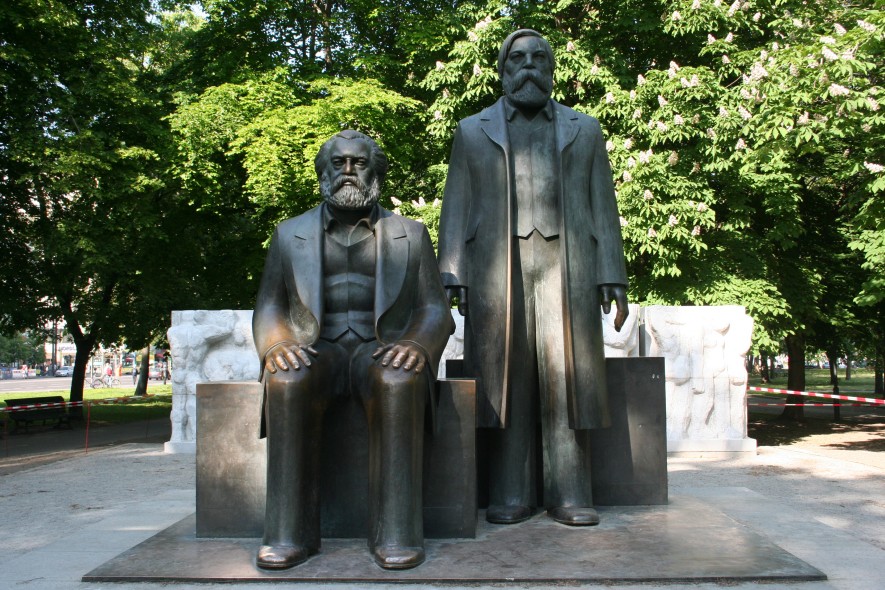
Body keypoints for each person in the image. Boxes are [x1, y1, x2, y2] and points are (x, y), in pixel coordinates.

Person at [438, 29, 629, 527]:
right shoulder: (471, 130)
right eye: (518, 58)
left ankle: (571, 492)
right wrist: (451, 273)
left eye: (538, 58)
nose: (528, 66)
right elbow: (456, 202)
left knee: (568, 376)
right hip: (496, 268)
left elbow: (603, 203)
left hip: (569, 264)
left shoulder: (584, 129)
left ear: (551, 68)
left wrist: (612, 272)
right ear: (503, 70)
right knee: (508, 377)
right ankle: (510, 492)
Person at [252, 130, 454, 570]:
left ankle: (396, 534)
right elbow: (269, 306)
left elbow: (435, 309)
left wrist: (417, 344)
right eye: (338, 163)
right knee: (287, 379)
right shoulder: (288, 234)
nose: (348, 171)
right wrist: (277, 343)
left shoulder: (411, 234)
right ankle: (287, 535)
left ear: (375, 172)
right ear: (323, 172)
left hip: (378, 347)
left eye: (358, 163)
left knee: (398, 378)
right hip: (316, 347)